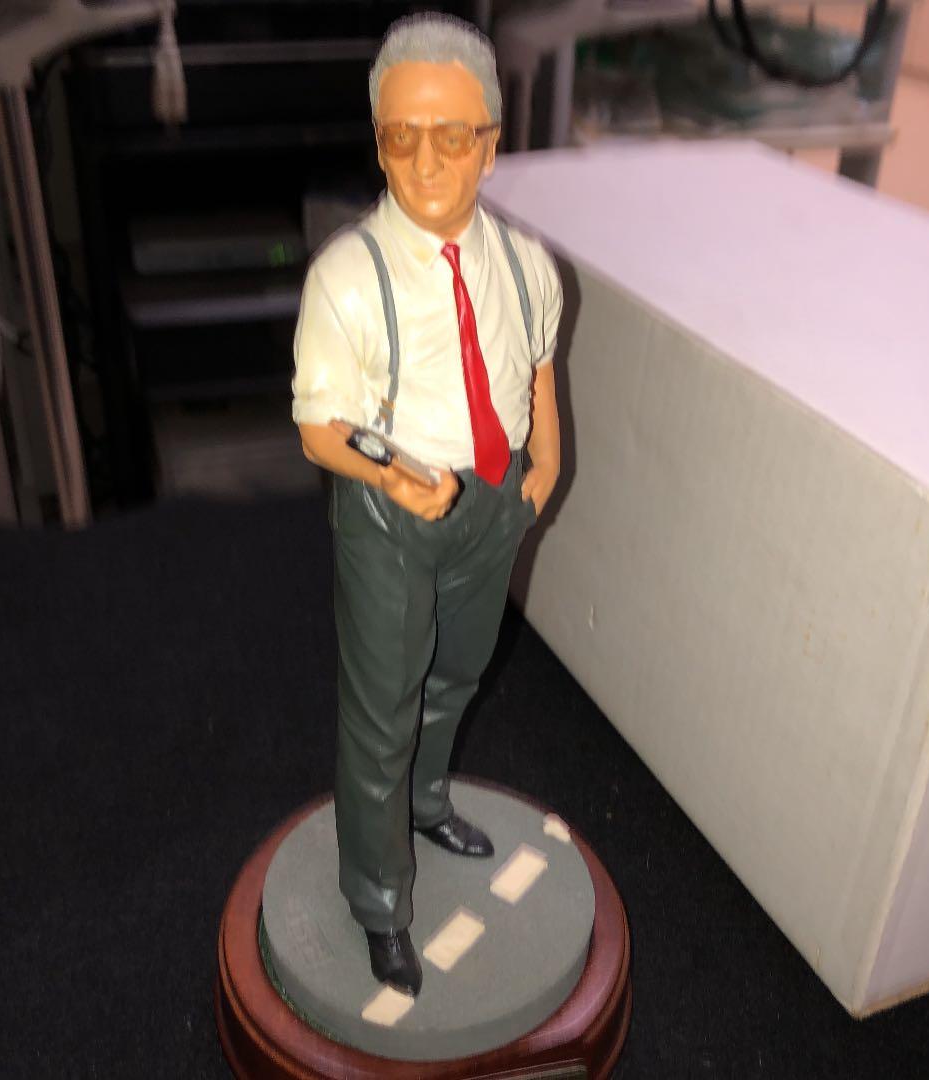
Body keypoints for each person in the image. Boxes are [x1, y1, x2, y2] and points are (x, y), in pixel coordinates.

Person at [292, 11, 563, 996]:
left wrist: (545, 465)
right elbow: (320, 427)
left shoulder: (527, 266)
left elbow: (537, 365)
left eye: (452, 136)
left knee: (457, 673)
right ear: (379, 143)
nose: (426, 160)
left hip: (494, 500)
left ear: (490, 145)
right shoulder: (347, 279)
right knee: (381, 713)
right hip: (391, 520)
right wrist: (393, 474)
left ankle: (429, 800)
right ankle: (379, 901)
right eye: (403, 135)